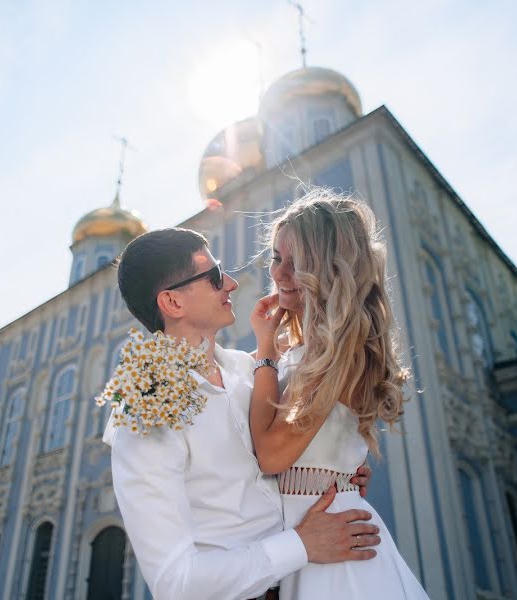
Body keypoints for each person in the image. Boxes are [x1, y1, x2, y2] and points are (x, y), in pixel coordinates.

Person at [108, 227, 379, 600]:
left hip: (315, 586)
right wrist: (300, 545)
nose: (232, 284)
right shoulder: (145, 413)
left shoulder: (251, 371)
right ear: (172, 303)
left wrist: (333, 470)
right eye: (215, 276)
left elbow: (292, 451)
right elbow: (176, 583)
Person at [249, 189, 429, 598]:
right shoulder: (311, 350)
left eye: (299, 264)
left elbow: (272, 455)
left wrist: (264, 353)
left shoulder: (330, 352)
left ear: (331, 269)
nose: (279, 275)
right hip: (315, 533)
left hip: (332, 548)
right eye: (277, 258)